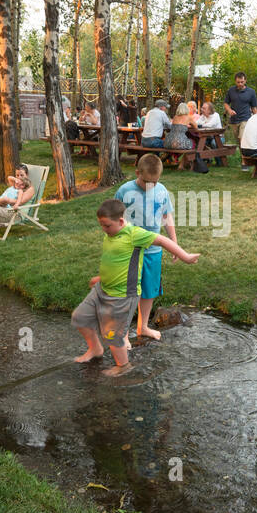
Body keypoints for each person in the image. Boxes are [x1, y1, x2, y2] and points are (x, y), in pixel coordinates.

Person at [72, 198, 200, 376]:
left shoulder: (134, 234)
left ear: (121, 221)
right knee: (80, 317)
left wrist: (185, 256)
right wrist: (101, 277)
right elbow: (115, 260)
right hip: (103, 288)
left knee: (112, 334)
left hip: (123, 295)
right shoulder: (111, 234)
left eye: (107, 225)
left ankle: (123, 366)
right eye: (101, 225)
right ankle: (95, 349)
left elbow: (162, 240)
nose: (104, 229)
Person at [115, 154, 176, 342]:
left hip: (153, 251)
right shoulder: (125, 191)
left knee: (149, 290)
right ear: (137, 173)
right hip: (131, 251)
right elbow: (114, 219)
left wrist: (173, 242)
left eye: (155, 182)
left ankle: (143, 327)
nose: (151, 185)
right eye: (147, 181)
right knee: (130, 292)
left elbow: (166, 216)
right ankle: (123, 334)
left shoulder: (162, 190)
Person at [224, 72, 257, 170]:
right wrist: (230, 110)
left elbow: (254, 107)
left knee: (242, 139)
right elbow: (226, 103)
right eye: (238, 82)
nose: (240, 84)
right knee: (239, 142)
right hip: (234, 120)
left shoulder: (251, 92)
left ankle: (245, 162)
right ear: (235, 81)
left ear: (245, 81)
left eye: (242, 82)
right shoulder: (231, 91)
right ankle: (245, 160)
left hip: (246, 119)